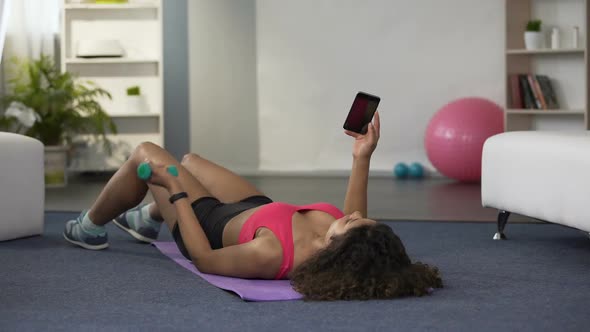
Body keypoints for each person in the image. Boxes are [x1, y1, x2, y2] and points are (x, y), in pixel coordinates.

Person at [63, 111, 442, 300]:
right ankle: (147, 218)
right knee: (192, 160)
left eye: (353, 224)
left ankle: (90, 226)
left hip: (208, 222)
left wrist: (177, 194)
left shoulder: (270, 253)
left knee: (148, 155)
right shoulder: (338, 233)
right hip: (254, 209)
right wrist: (362, 157)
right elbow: (353, 216)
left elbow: (206, 260)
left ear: (338, 250)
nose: (354, 215)